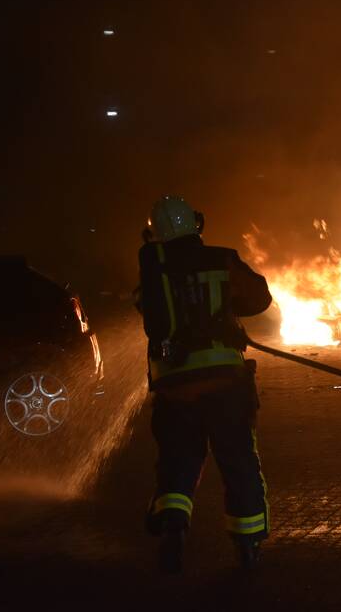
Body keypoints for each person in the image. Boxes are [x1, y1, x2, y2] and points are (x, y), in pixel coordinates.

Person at [136, 195, 272, 573]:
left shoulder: (155, 270)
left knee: (178, 460)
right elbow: (260, 297)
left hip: (175, 387)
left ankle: (174, 527)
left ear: (157, 234)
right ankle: (248, 544)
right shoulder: (221, 259)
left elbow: (147, 311)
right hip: (226, 385)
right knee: (238, 460)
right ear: (197, 224)